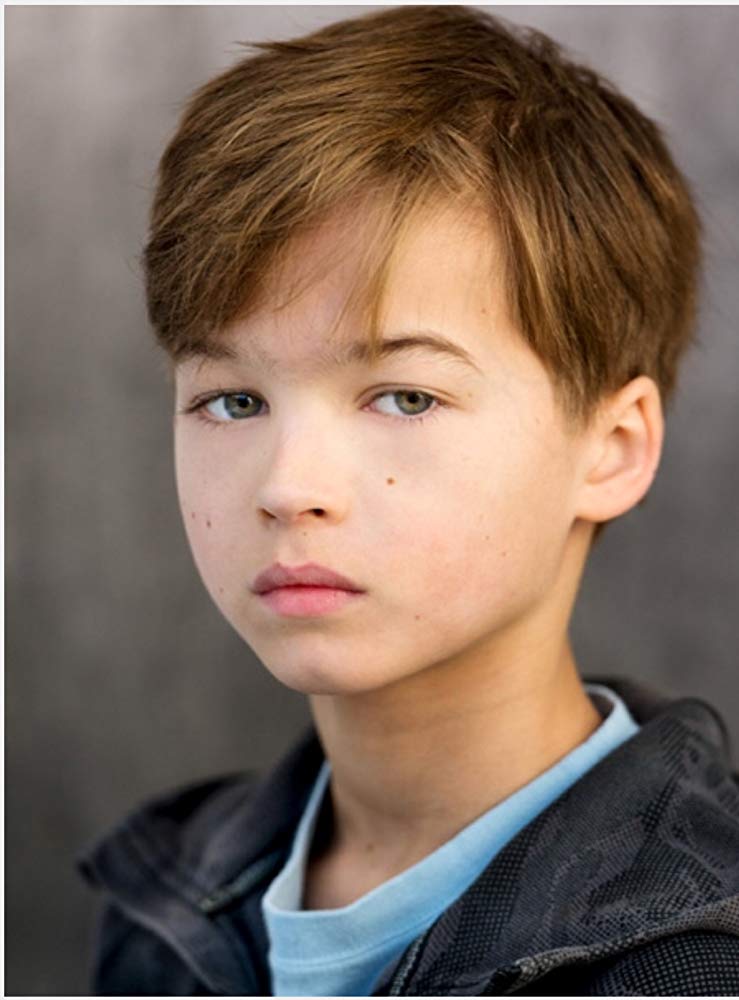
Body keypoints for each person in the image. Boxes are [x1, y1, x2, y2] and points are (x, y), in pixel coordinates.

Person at [76, 6, 739, 995]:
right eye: (234, 400)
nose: (289, 488)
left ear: (611, 448)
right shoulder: (163, 903)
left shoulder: (697, 959)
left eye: (405, 397)